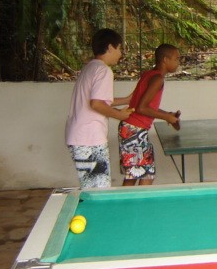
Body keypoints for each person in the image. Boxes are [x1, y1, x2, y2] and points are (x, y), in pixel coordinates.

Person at [65, 28, 134, 189]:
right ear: (110, 47)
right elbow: (96, 104)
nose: (120, 53)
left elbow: (101, 100)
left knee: (93, 187)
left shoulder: (90, 67)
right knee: (99, 189)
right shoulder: (104, 70)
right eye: (119, 48)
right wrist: (120, 115)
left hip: (81, 137)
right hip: (89, 139)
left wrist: (126, 99)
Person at [118, 44, 181, 186]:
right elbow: (141, 108)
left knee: (133, 174)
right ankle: (137, 206)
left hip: (131, 128)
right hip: (134, 130)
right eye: (176, 59)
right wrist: (167, 118)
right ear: (165, 59)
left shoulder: (149, 74)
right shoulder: (158, 79)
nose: (178, 62)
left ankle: (128, 206)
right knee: (147, 174)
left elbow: (146, 106)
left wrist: (168, 114)